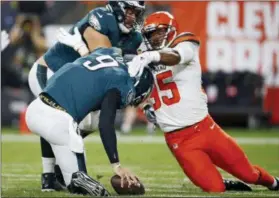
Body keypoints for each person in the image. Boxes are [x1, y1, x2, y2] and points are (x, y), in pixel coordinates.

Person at [134, 11, 279, 192]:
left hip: (206, 129)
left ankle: (274, 182)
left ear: (171, 30)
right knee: (215, 189)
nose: (155, 37)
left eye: (159, 32)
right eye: (151, 34)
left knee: (249, 174)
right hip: (178, 140)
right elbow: (144, 90)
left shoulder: (185, 43)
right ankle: (223, 182)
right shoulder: (145, 58)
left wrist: (151, 57)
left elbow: (178, 56)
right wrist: (147, 104)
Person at [27, 1, 145, 191]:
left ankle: (60, 170)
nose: (133, 17)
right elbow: (99, 58)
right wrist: (81, 48)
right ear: (117, 8)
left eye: (136, 13)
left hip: (74, 82)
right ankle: (50, 176)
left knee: (87, 123)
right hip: (49, 71)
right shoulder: (102, 18)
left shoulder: (133, 38)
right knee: (57, 116)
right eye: (129, 11)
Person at [25, 47, 154, 196]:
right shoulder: (121, 82)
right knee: (81, 184)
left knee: (81, 123)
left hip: (36, 107)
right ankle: (71, 175)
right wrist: (116, 165)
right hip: (59, 123)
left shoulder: (108, 53)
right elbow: (105, 124)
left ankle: (50, 178)